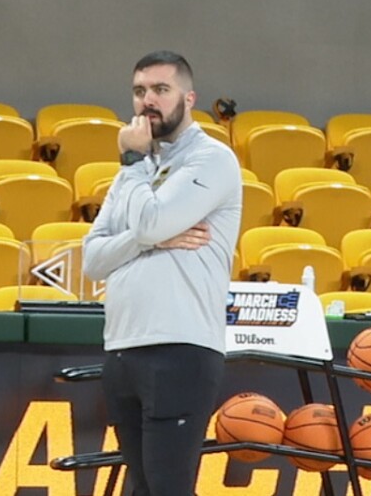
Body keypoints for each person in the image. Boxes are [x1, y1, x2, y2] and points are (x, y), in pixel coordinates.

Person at [82, 50, 242, 496]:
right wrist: (147, 239)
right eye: (139, 91)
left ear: (188, 98)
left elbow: (151, 222)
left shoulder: (212, 159)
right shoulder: (132, 170)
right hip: (122, 348)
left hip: (180, 349)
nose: (147, 101)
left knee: (168, 487)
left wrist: (144, 215)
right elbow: (93, 258)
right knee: (143, 488)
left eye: (160, 90)